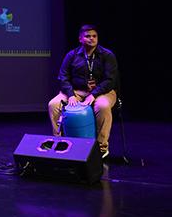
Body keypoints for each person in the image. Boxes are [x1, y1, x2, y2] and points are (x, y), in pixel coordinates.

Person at [48, 24, 119, 158]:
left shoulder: (107, 55)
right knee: (53, 104)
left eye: (94, 36)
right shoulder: (72, 55)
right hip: (76, 91)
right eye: (87, 36)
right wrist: (70, 95)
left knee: (102, 106)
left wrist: (94, 94)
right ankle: (59, 141)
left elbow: (110, 80)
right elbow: (63, 76)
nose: (91, 39)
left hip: (103, 91)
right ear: (80, 39)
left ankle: (101, 148)